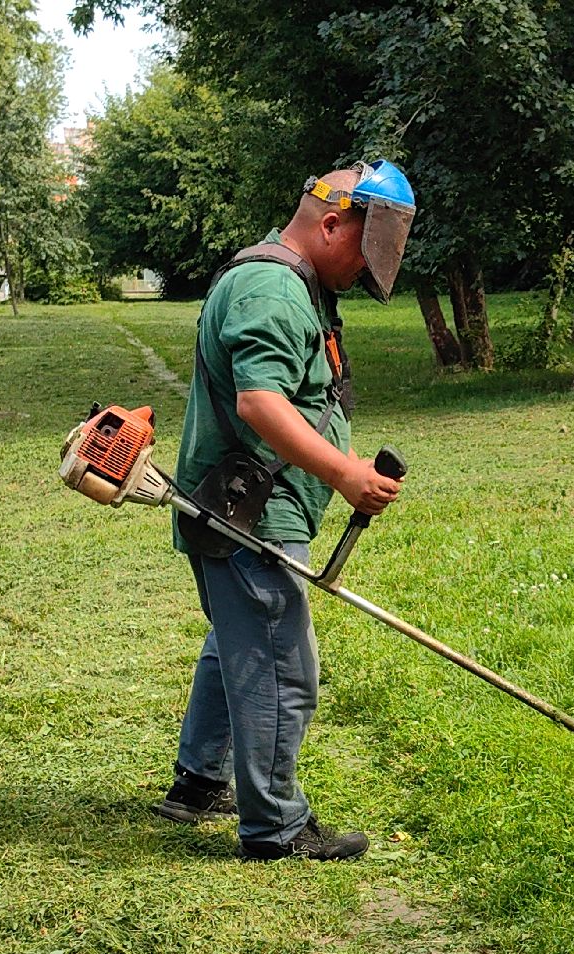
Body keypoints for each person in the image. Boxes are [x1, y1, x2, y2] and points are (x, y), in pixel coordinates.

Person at [154, 160, 416, 861]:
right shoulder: (272, 287)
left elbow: (300, 395)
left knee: (237, 645)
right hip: (249, 516)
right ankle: (275, 828)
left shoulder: (295, 283)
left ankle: (199, 783)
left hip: (244, 510)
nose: (361, 273)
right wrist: (346, 474)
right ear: (330, 223)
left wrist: (343, 464)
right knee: (278, 665)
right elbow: (261, 403)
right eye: (361, 253)